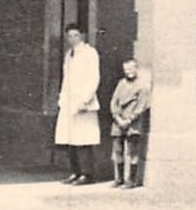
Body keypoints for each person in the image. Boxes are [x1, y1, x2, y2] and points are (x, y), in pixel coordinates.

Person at [53, 22, 100, 185]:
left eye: (76, 35)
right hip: (69, 102)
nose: (72, 39)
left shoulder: (90, 53)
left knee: (83, 139)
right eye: (69, 36)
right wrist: (62, 99)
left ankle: (87, 174)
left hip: (83, 103)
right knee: (69, 138)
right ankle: (75, 171)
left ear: (82, 36)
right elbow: (66, 79)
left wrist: (85, 100)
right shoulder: (69, 55)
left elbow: (94, 78)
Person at [108, 59, 150, 188]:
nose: (129, 72)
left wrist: (129, 119)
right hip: (118, 122)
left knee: (133, 152)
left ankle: (131, 180)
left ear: (136, 68)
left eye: (131, 69)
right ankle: (119, 179)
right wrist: (117, 117)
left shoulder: (142, 86)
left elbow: (141, 105)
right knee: (117, 151)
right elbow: (114, 101)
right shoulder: (121, 83)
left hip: (133, 124)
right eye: (126, 70)